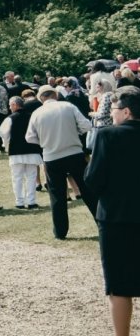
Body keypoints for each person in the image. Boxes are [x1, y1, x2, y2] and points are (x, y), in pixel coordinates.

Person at [84, 86, 140, 336]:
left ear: (126, 112)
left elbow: (93, 179)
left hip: (117, 217)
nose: (111, 115)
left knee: (119, 285)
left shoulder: (107, 136)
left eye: (114, 110)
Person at [26, 85, 98, 239]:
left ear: (41, 98)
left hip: (51, 157)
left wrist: (44, 141)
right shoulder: (68, 106)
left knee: (57, 196)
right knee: (88, 190)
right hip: (74, 153)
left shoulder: (37, 113)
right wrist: (75, 132)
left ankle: (60, 232)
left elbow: (29, 137)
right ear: (55, 95)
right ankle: (101, 222)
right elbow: (86, 125)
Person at [0, 95, 44, 209]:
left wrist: (6, 145)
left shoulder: (10, 118)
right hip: (32, 150)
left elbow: (4, 134)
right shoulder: (32, 117)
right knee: (31, 177)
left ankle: (19, 202)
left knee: (17, 177)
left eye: (10, 105)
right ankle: (31, 201)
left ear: (14, 105)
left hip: (16, 151)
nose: (9, 108)